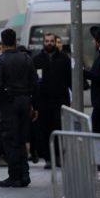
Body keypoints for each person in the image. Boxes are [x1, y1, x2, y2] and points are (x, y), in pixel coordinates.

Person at [0, 28, 37, 188]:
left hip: (8, 103)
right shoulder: (26, 58)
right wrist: (34, 104)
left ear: (3, 41)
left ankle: (15, 176)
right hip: (25, 102)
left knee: (10, 140)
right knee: (21, 139)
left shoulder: (0, 60)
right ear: (15, 41)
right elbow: (35, 83)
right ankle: (24, 175)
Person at [31, 32, 72, 169]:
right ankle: (48, 158)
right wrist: (34, 103)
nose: (49, 43)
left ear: (55, 42)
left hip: (60, 100)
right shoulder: (37, 59)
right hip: (43, 102)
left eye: (51, 41)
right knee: (45, 130)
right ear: (43, 42)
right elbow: (34, 82)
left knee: (58, 129)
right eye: (47, 41)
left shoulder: (64, 58)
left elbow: (69, 80)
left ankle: (59, 157)